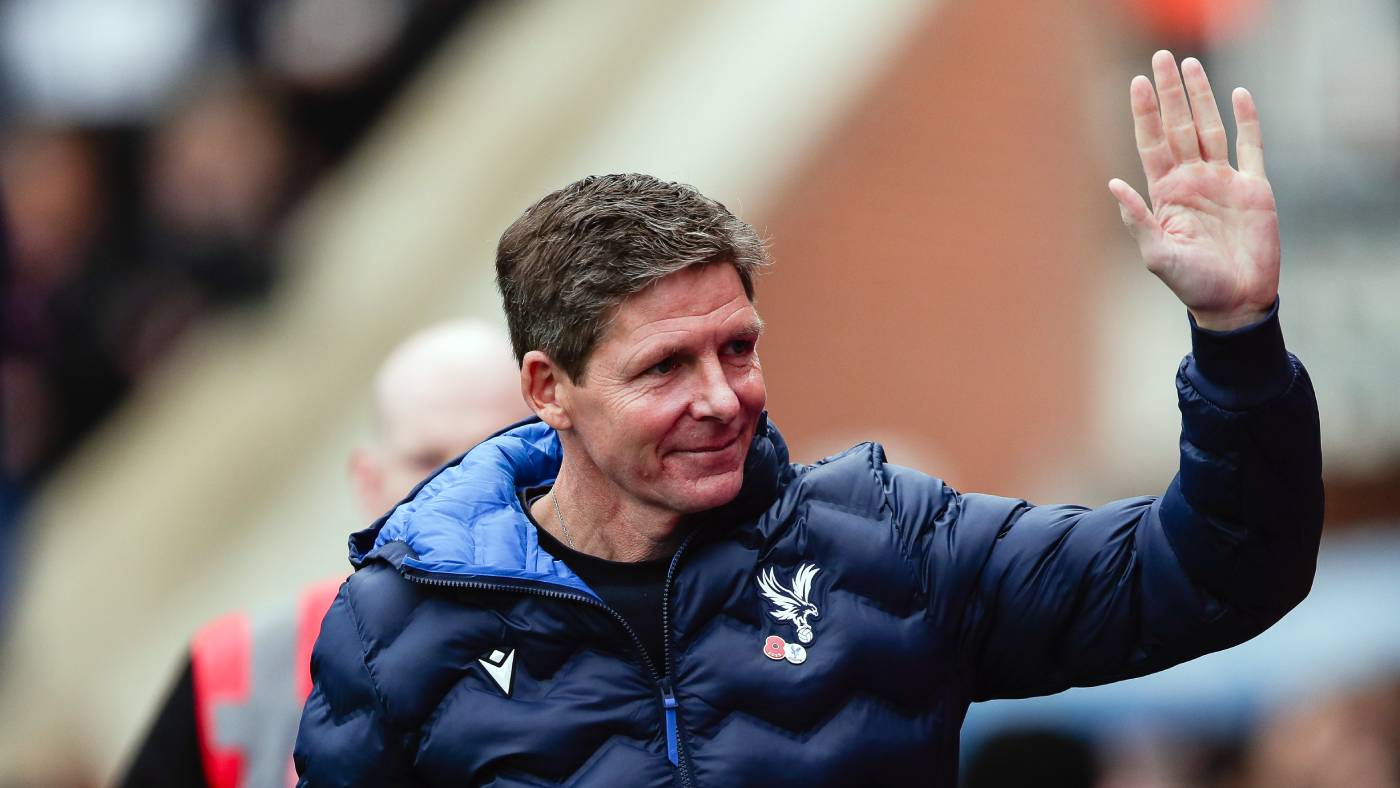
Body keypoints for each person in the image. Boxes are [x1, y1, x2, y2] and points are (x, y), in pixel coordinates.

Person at [294, 52, 1324, 787]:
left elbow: (1214, 572)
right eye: (664, 366)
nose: (721, 395)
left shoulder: (886, 543)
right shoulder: (396, 628)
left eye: (737, 348)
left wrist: (1234, 331)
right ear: (546, 387)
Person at [121, 320, 527, 788]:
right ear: (369, 483)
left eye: (494, 454)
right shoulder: (235, 675)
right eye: (427, 463)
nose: (460, 493)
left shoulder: (599, 638)